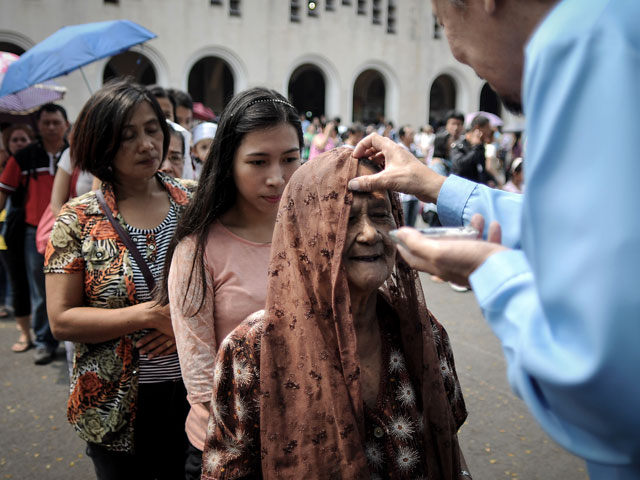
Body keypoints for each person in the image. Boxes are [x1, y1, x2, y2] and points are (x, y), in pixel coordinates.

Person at [348, 1, 640, 477]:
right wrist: (435, 186)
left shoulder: (582, 38)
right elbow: (597, 229)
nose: (456, 53)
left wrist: (493, 272)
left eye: (442, 21)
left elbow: (601, 386)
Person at [201, 148, 469, 479]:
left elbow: (449, 449)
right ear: (307, 235)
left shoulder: (423, 333)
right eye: (347, 219)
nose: (370, 233)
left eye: (381, 214)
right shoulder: (251, 351)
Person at [44, 80, 195, 479]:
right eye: (128, 135)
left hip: (197, 393)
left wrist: (181, 323)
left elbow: (226, 288)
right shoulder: (77, 220)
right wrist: (148, 316)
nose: (147, 144)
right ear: (102, 144)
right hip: (114, 403)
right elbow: (62, 320)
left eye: (152, 129)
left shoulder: (195, 204)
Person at [159, 87, 302, 479]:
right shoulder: (198, 249)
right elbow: (203, 381)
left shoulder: (317, 235)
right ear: (227, 163)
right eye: (258, 161)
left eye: (290, 158)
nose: (277, 177)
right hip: (228, 446)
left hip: (314, 443)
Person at [0, 104, 69, 364]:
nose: (51, 127)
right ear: (38, 126)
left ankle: (73, 337)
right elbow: (4, 190)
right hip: (34, 234)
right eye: (46, 122)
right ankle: (44, 341)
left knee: (74, 286)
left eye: (56, 122)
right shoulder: (25, 157)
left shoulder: (76, 154)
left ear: (65, 124)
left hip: (73, 230)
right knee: (41, 289)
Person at [0, 124, 35, 351]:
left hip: (31, 231)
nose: (19, 144)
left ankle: (40, 332)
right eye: (15, 140)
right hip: (9, 234)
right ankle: (25, 334)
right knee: (18, 283)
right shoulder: (7, 167)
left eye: (23, 139)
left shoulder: (34, 164)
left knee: (37, 286)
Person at [450, 115, 495, 185]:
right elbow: (460, 167)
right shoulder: (459, 145)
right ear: (477, 128)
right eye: (487, 128)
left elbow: (481, 170)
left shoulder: (480, 146)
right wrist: (475, 148)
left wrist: (491, 180)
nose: (489, 132)